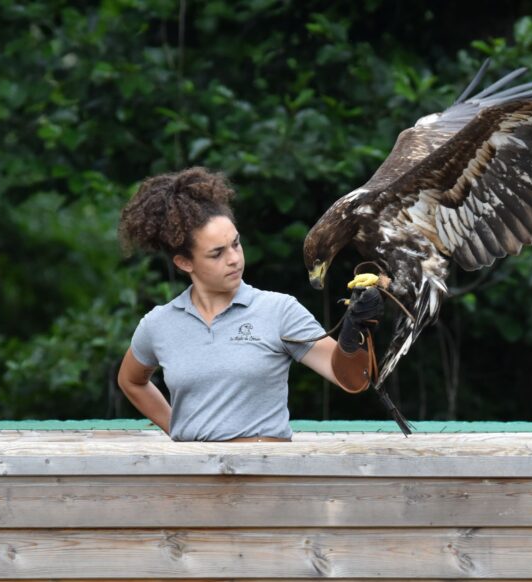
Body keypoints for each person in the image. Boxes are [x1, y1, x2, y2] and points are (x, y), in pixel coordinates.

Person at [116, 167, 381, 442]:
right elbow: (131, 381)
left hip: (265, 476)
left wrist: (355, 335)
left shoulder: (279, 311)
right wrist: (179, 428)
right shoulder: (159, 325)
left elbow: (352, 379)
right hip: (192, 479)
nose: (234, 259)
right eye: (217, 253)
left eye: (236, 244)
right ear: (185, 263)